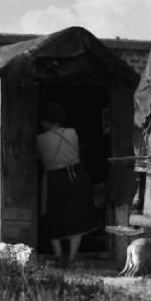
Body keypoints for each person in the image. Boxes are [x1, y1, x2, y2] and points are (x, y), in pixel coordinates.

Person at [36, 102, 98, 267]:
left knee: (53, 215)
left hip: (54, 178)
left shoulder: (41, 139)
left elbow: (39, 157)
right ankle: (71, 258)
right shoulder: (72, 133)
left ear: (45, 121)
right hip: (76, 175)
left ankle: (57, 256)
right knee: (77, 216)